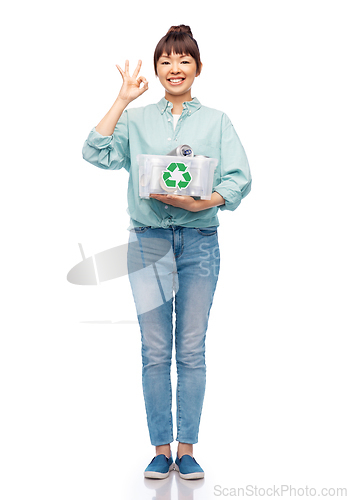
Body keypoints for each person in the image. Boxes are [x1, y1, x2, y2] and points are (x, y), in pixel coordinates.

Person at [82, 25, 252, 480]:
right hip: (149, 240)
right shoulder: (136, 121)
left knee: (191, 350)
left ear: (198, 68)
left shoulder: (216, 121)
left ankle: (188, 448)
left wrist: (205, 201)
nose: (174, 69)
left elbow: (239, 178)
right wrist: (122, 100)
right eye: (165, 61)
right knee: (155, 350)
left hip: (199, 243)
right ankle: (161, 449)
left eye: (183, 61)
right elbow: (95, 152)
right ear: (157, 70)